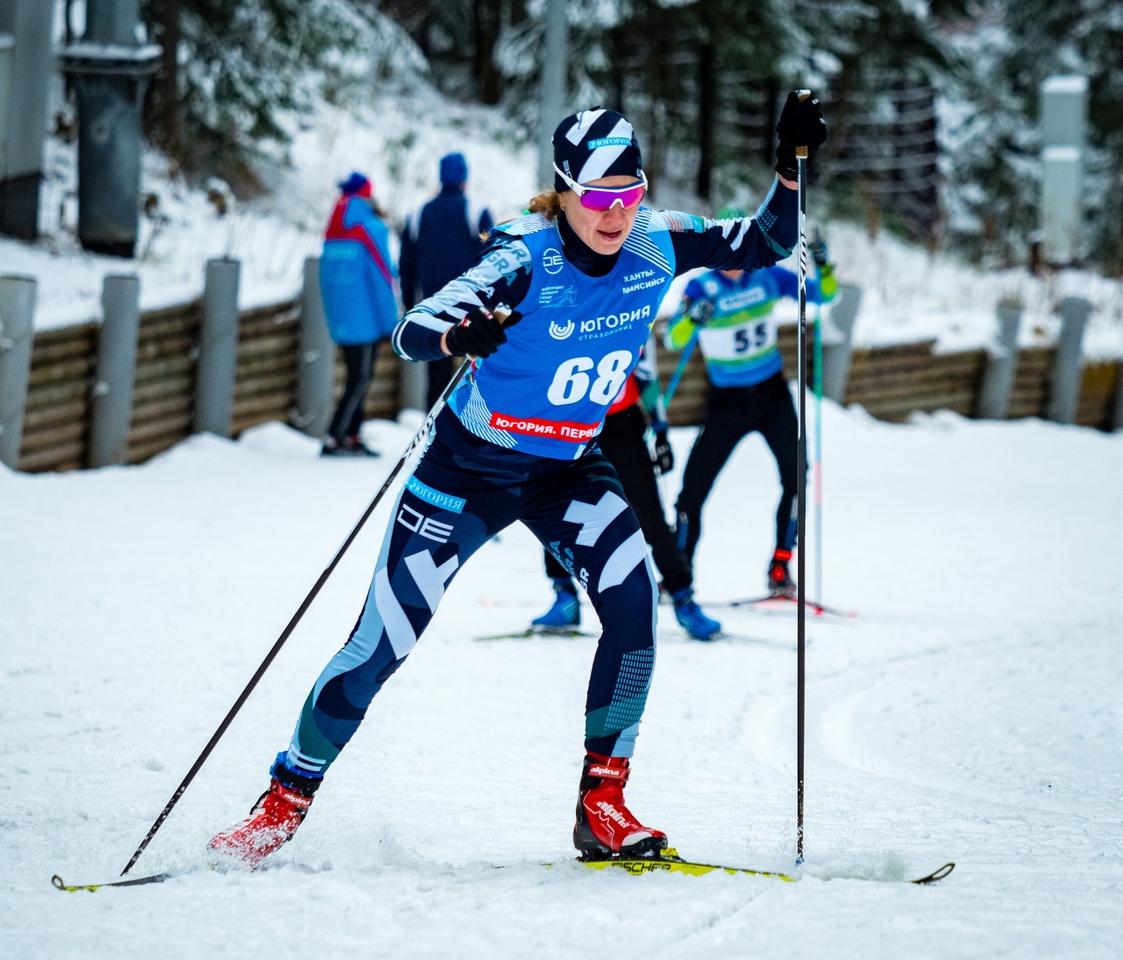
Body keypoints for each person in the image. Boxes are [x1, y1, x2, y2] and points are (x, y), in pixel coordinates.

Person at [208, 98, 826, 868]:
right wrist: (463, 332)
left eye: (628, 194)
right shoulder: (524, 257)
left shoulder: (659, 242)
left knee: (635, 612)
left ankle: (602, 803)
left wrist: (786, 165)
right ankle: (281, 803)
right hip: (468, 471)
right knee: (383, 642)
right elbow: (411, 330)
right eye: (598, 196)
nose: (615, 213)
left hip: (568, 469)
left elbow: (768, 239)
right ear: (564, 190)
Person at [668, 217, 838, 595]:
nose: (738, 256)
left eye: (744, 247)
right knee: (692, 490)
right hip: (727, 402)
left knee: (796, 476)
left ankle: (781, 564)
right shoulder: (701, 286)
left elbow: (822, 296)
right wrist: (692, 318)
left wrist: (824, 267)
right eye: (730, 247)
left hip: (771, 395)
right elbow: (674, 340)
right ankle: (678, 573)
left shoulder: (767, 276)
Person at [530, 338, 723, 640]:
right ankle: (564, 597)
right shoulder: (571, 312)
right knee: (554, 510)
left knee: (650, 516)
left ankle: (683, 598)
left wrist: (660, 432)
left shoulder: (632, 310)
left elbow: (646, 374)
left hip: (622, 424)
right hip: (570, 422)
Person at [399, 152, 495, 408]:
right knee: (475, 373)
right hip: (474, 310)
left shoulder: (418, 214)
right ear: (465, 177)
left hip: (434, 310)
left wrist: (411, 309)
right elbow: (495, 262)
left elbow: (406, 268)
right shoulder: (477, 211)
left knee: (437, 379)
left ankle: (433, 434)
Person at [319, 172, 400, 457]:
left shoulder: (333, 230)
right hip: (366, 319)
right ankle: (335, 436)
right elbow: (381, 278)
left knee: (357, 376)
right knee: (361, 377)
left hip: (342, 318)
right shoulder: (371, 229)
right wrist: (390, 323)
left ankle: (351, 435)